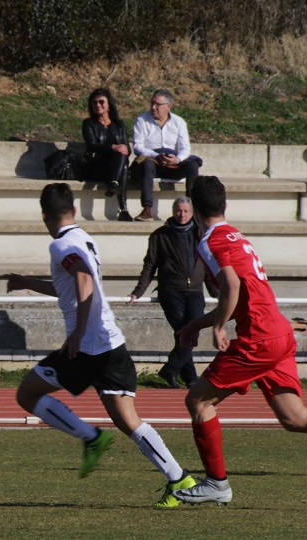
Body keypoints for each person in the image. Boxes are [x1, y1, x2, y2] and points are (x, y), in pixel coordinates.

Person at [5, 182, 195, 508]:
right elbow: (71, 286)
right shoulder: (84, 238)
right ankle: (180, 479)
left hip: (88, 347)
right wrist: (27, 283)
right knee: (128, 420)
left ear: (44, 216)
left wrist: (78, 332)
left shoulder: (61, 246)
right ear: (75, 210)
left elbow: (82, 279)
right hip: (111, 343)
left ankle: (91, 438)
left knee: (27, 394)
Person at [173, 176, 307, 505]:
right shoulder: (237, 236)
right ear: (224, 205)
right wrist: (196, 324)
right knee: (295, 417)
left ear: (195, 210)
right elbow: (240, 293)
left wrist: (218, 327)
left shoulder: (210, 241)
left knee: (198, 402)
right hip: (279, 332)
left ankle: (217, 484)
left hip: (259, 338)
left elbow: (231, 286)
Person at [128, 196, 213, 388]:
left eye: (185, 211)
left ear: (192, 213)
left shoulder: (202, 234)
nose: (181, 215)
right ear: (173, 211)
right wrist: (138, 291)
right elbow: (150, 265)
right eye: (178, 210)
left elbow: (208, 264)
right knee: (184, 333)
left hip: (195, 291)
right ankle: (190, 378)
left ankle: (171, 369)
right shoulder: (160, 235)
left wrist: (217, 290)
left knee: (192, 331)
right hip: (171, 291)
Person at [132, 89, 203, 222]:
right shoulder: (142, 120)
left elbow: (185, 148)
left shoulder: (179, 122)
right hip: (153, 161)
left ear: (168, 106)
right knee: (147, 164)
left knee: (193, 165)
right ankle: (147, 209)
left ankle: (192, 208)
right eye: (152, 103)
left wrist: (177, 159)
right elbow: (137, 146)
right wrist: (156, 155)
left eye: (158, 104)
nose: (153, 107)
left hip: (173, 162)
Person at [82, 88, 132, 221]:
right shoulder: (89, 124)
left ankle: (115, 185)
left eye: (101, 102)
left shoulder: (119, 125)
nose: (98, 105)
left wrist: (123, 149)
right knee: (122, 161)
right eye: (94, 103)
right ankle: (123, 208)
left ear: (109, 105)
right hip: (97, 165)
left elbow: (128, 149)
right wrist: (113, 147)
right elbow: (91, 145)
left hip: (116, 166)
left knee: (123, 158)